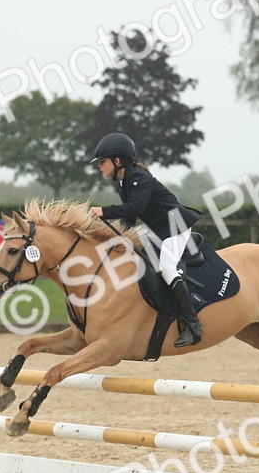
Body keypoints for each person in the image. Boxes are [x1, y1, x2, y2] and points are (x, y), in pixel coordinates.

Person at [87, 133, 205, 347]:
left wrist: (103, 211)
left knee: (168, 268)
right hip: (158, 229)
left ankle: (193, 325)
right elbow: (130, 218)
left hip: (175, 224)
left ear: (117, 160)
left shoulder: (139, 178)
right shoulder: (123, 182)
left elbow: (136, 208)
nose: (99, 167)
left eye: (102, 162)